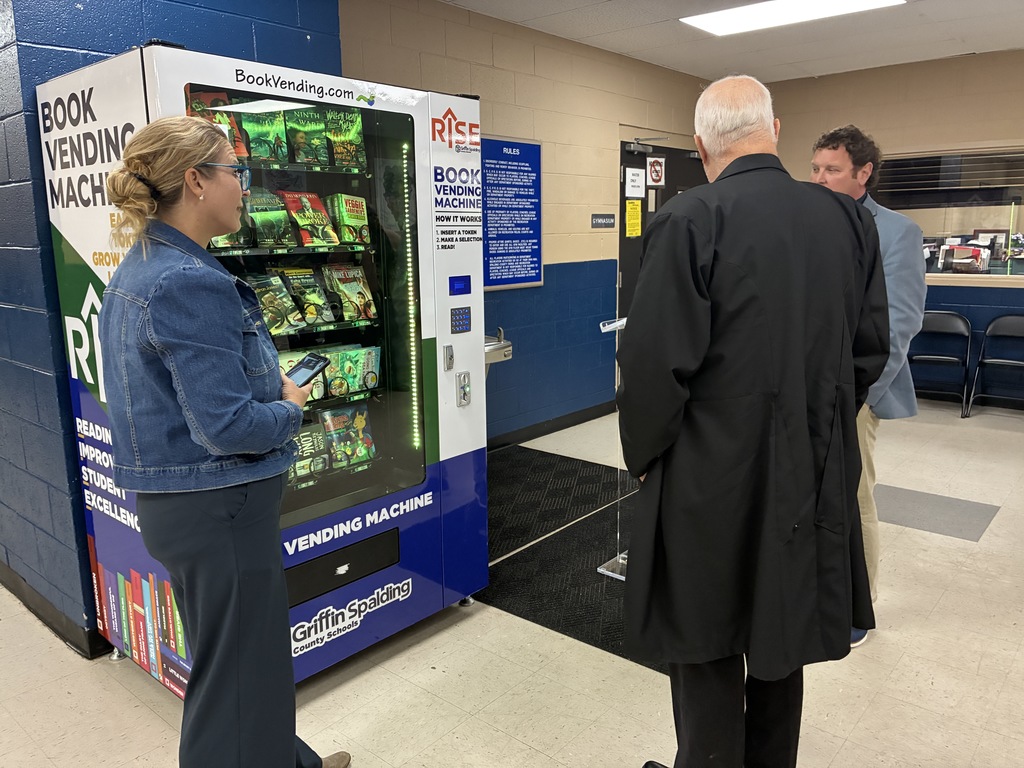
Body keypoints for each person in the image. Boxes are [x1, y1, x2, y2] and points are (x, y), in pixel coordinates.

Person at [617, 76, 889, 768]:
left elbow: (652, 366)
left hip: (707, 477)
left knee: (705, 640)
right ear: (776, 130)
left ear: (701, 145)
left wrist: (646, 458)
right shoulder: (848, 221)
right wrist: (817, 419)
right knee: (780, 633)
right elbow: (869, 350)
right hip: (809, 470)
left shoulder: (688, 219)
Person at [98, 116, 351, 768]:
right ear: (195, 180)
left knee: (244, 662)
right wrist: (290, 407)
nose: (245, 185)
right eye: (235, 171)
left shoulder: (144, 267)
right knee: (237, 677)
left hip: (191, 508)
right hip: (220, 507)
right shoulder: (187, 281)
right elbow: (228, 427)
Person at [811, 125, 927, 647]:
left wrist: (861, 399)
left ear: (864, 173)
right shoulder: (807, 222)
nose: (820, 178)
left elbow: (898, 324)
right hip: (807, 385)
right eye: (815, 168)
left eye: (832, 170)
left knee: (854, 495)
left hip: (856, 390)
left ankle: (859, 607)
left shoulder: (897, 232)